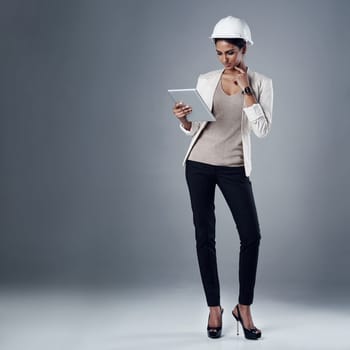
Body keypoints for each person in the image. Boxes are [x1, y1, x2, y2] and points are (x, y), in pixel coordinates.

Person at [172, 16, 273, 340]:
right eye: (219, 52)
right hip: (198, 164)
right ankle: (213, 307)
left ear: (244, 49)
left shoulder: (261, 83)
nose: (224, 59)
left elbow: (262, 130)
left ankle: (243, 306)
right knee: (205, 236)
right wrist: (185, 120)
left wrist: (247, 92)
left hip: (233, 167)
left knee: (251, 235)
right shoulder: (206, 79)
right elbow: (196, 126)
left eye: (230, 52)